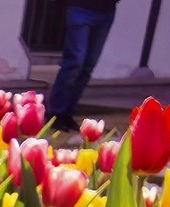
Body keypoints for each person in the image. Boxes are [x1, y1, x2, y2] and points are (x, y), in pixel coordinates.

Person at [48, 0, 119, 132]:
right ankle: (56, 113)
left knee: (88, 65)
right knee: (75, 61)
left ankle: (67, 112)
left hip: (106, 13)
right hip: (80, 9)